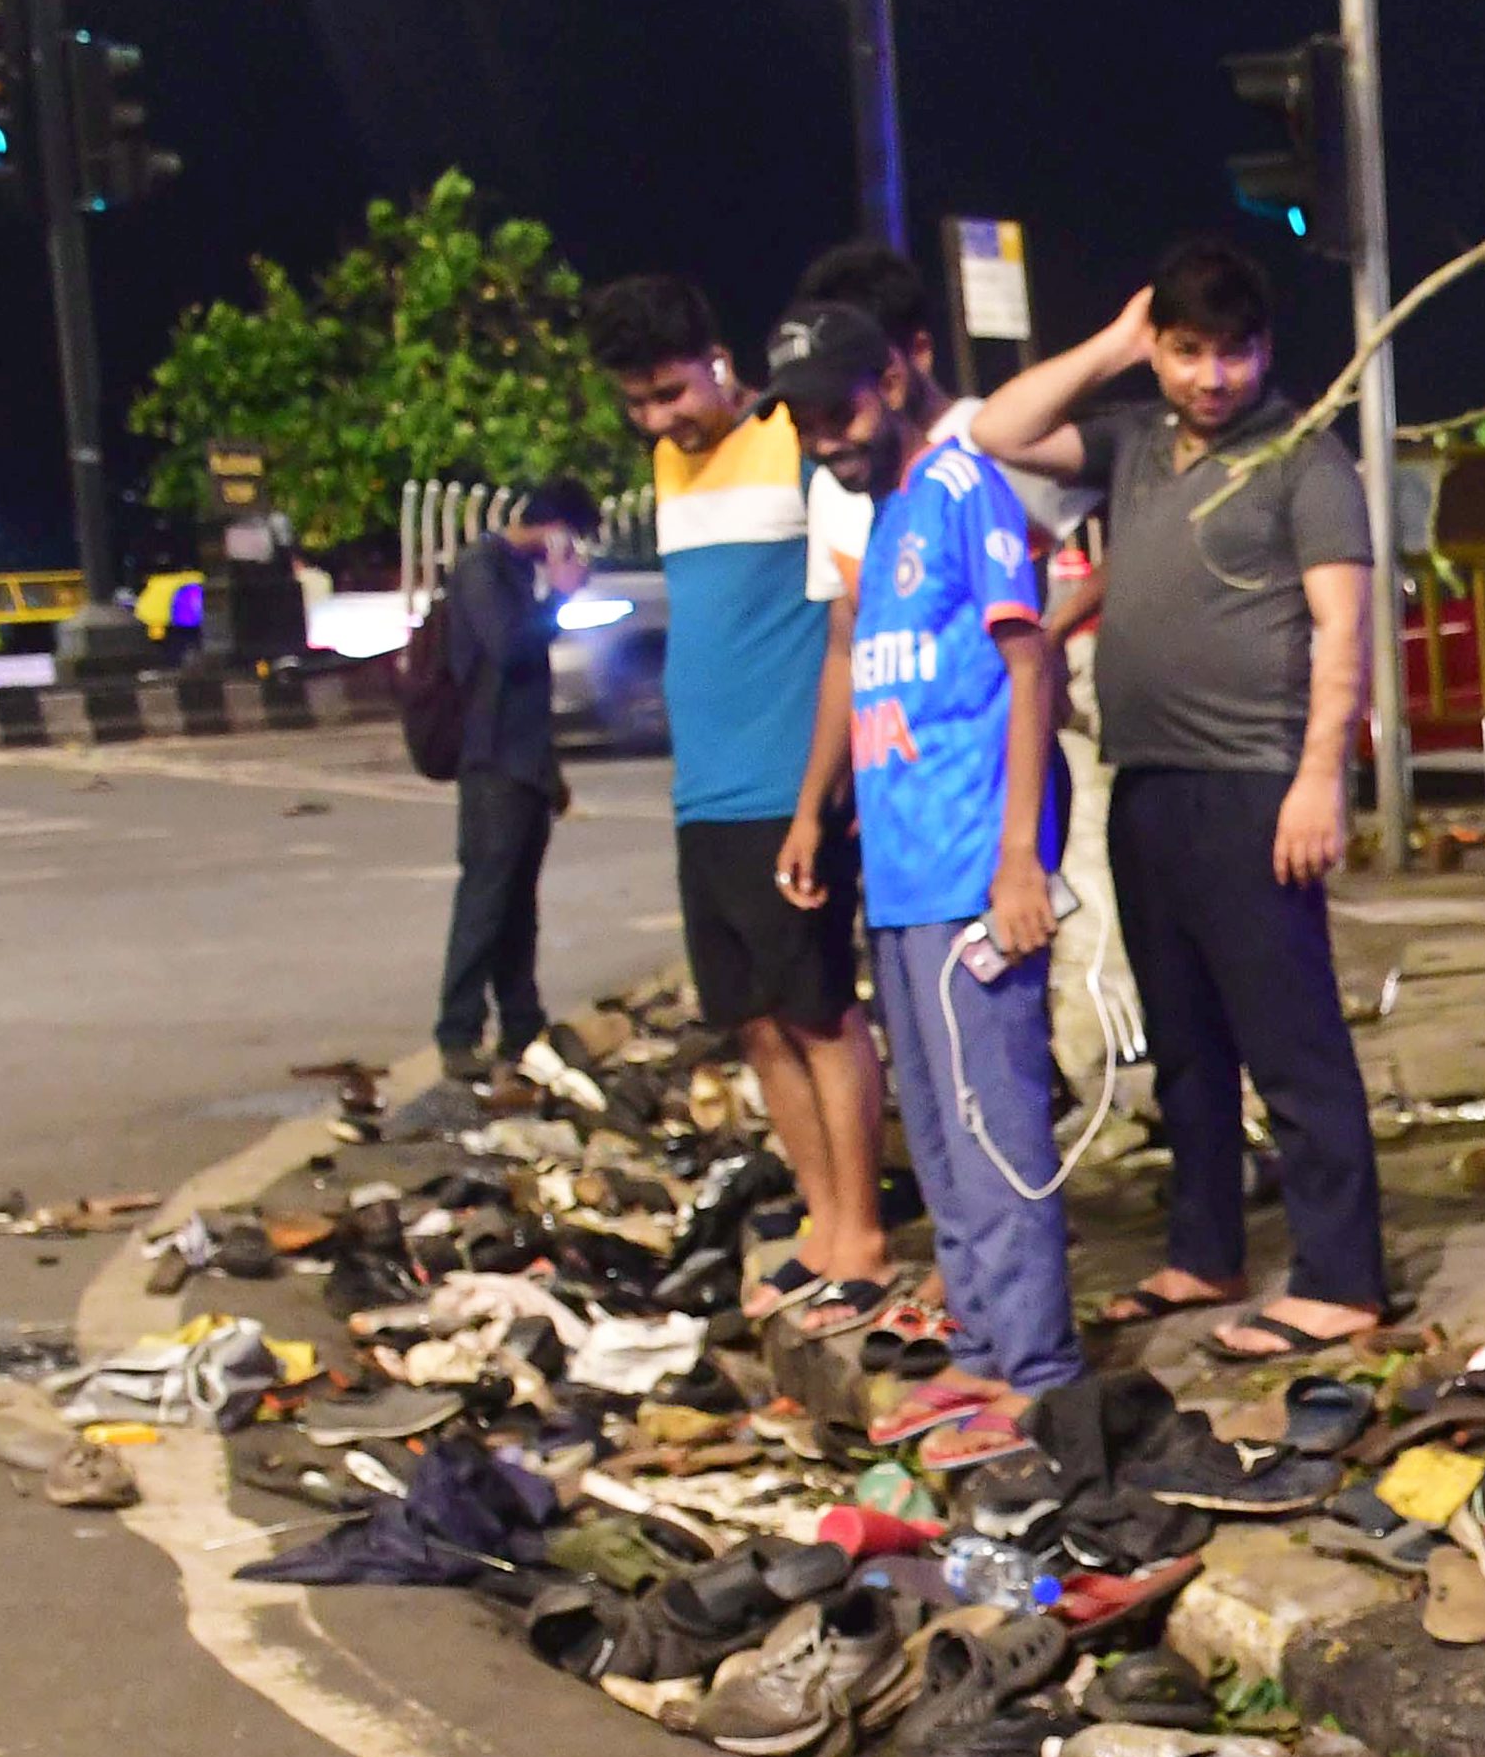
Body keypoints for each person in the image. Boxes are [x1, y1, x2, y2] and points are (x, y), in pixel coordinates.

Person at [967, 240, 1384, 1365]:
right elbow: (996, 431)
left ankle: (1342, 1277)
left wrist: (1319, 780)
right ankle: (1205, 1249)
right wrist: (1111, 343)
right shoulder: (1136, 444)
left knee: (1288, 1038)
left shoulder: (1303, 459)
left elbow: (1344, 629)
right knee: (1185, 1041)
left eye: (1233, 352)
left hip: (1256, 785)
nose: (1211, 377)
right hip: (1147, 783)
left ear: (1264, 351)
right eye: (1187, 351)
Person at [768, 300, 1080, 1448]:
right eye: (802, 422)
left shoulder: (963, 491)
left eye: (835, 410)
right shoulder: (886, 517)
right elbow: (866, 675)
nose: (822, 438)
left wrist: (1019, 861)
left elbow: (1028, 663)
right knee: (941, 1145)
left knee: (997, 1133)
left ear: (896, 381)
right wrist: (818, 813)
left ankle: (1038, 1371)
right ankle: (982, 1350)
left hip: (969, 873)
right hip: (899, 879)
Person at [581, 273, 889, 1320]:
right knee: (755, 1027)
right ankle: (819, 1221)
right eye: (637, 402)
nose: (659, 418)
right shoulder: (669, 466)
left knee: (818, 1015)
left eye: (670, 392)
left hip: (786, 789)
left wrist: (818, 799)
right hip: (703, 798)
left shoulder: (794, 444)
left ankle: (864, 1234)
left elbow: (845, 623)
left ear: (718, 360)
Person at [434, 475, 599, 1073]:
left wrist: (551, 773)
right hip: (492, 762)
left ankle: (521, 1023)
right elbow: (509, 648)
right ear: (553, 528)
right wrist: (559, 597)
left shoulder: (512, 573)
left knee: (517, 905)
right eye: (573, 541)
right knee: (484, 900)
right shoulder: (482, 568)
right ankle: (457, 1033)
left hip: (525, 763)